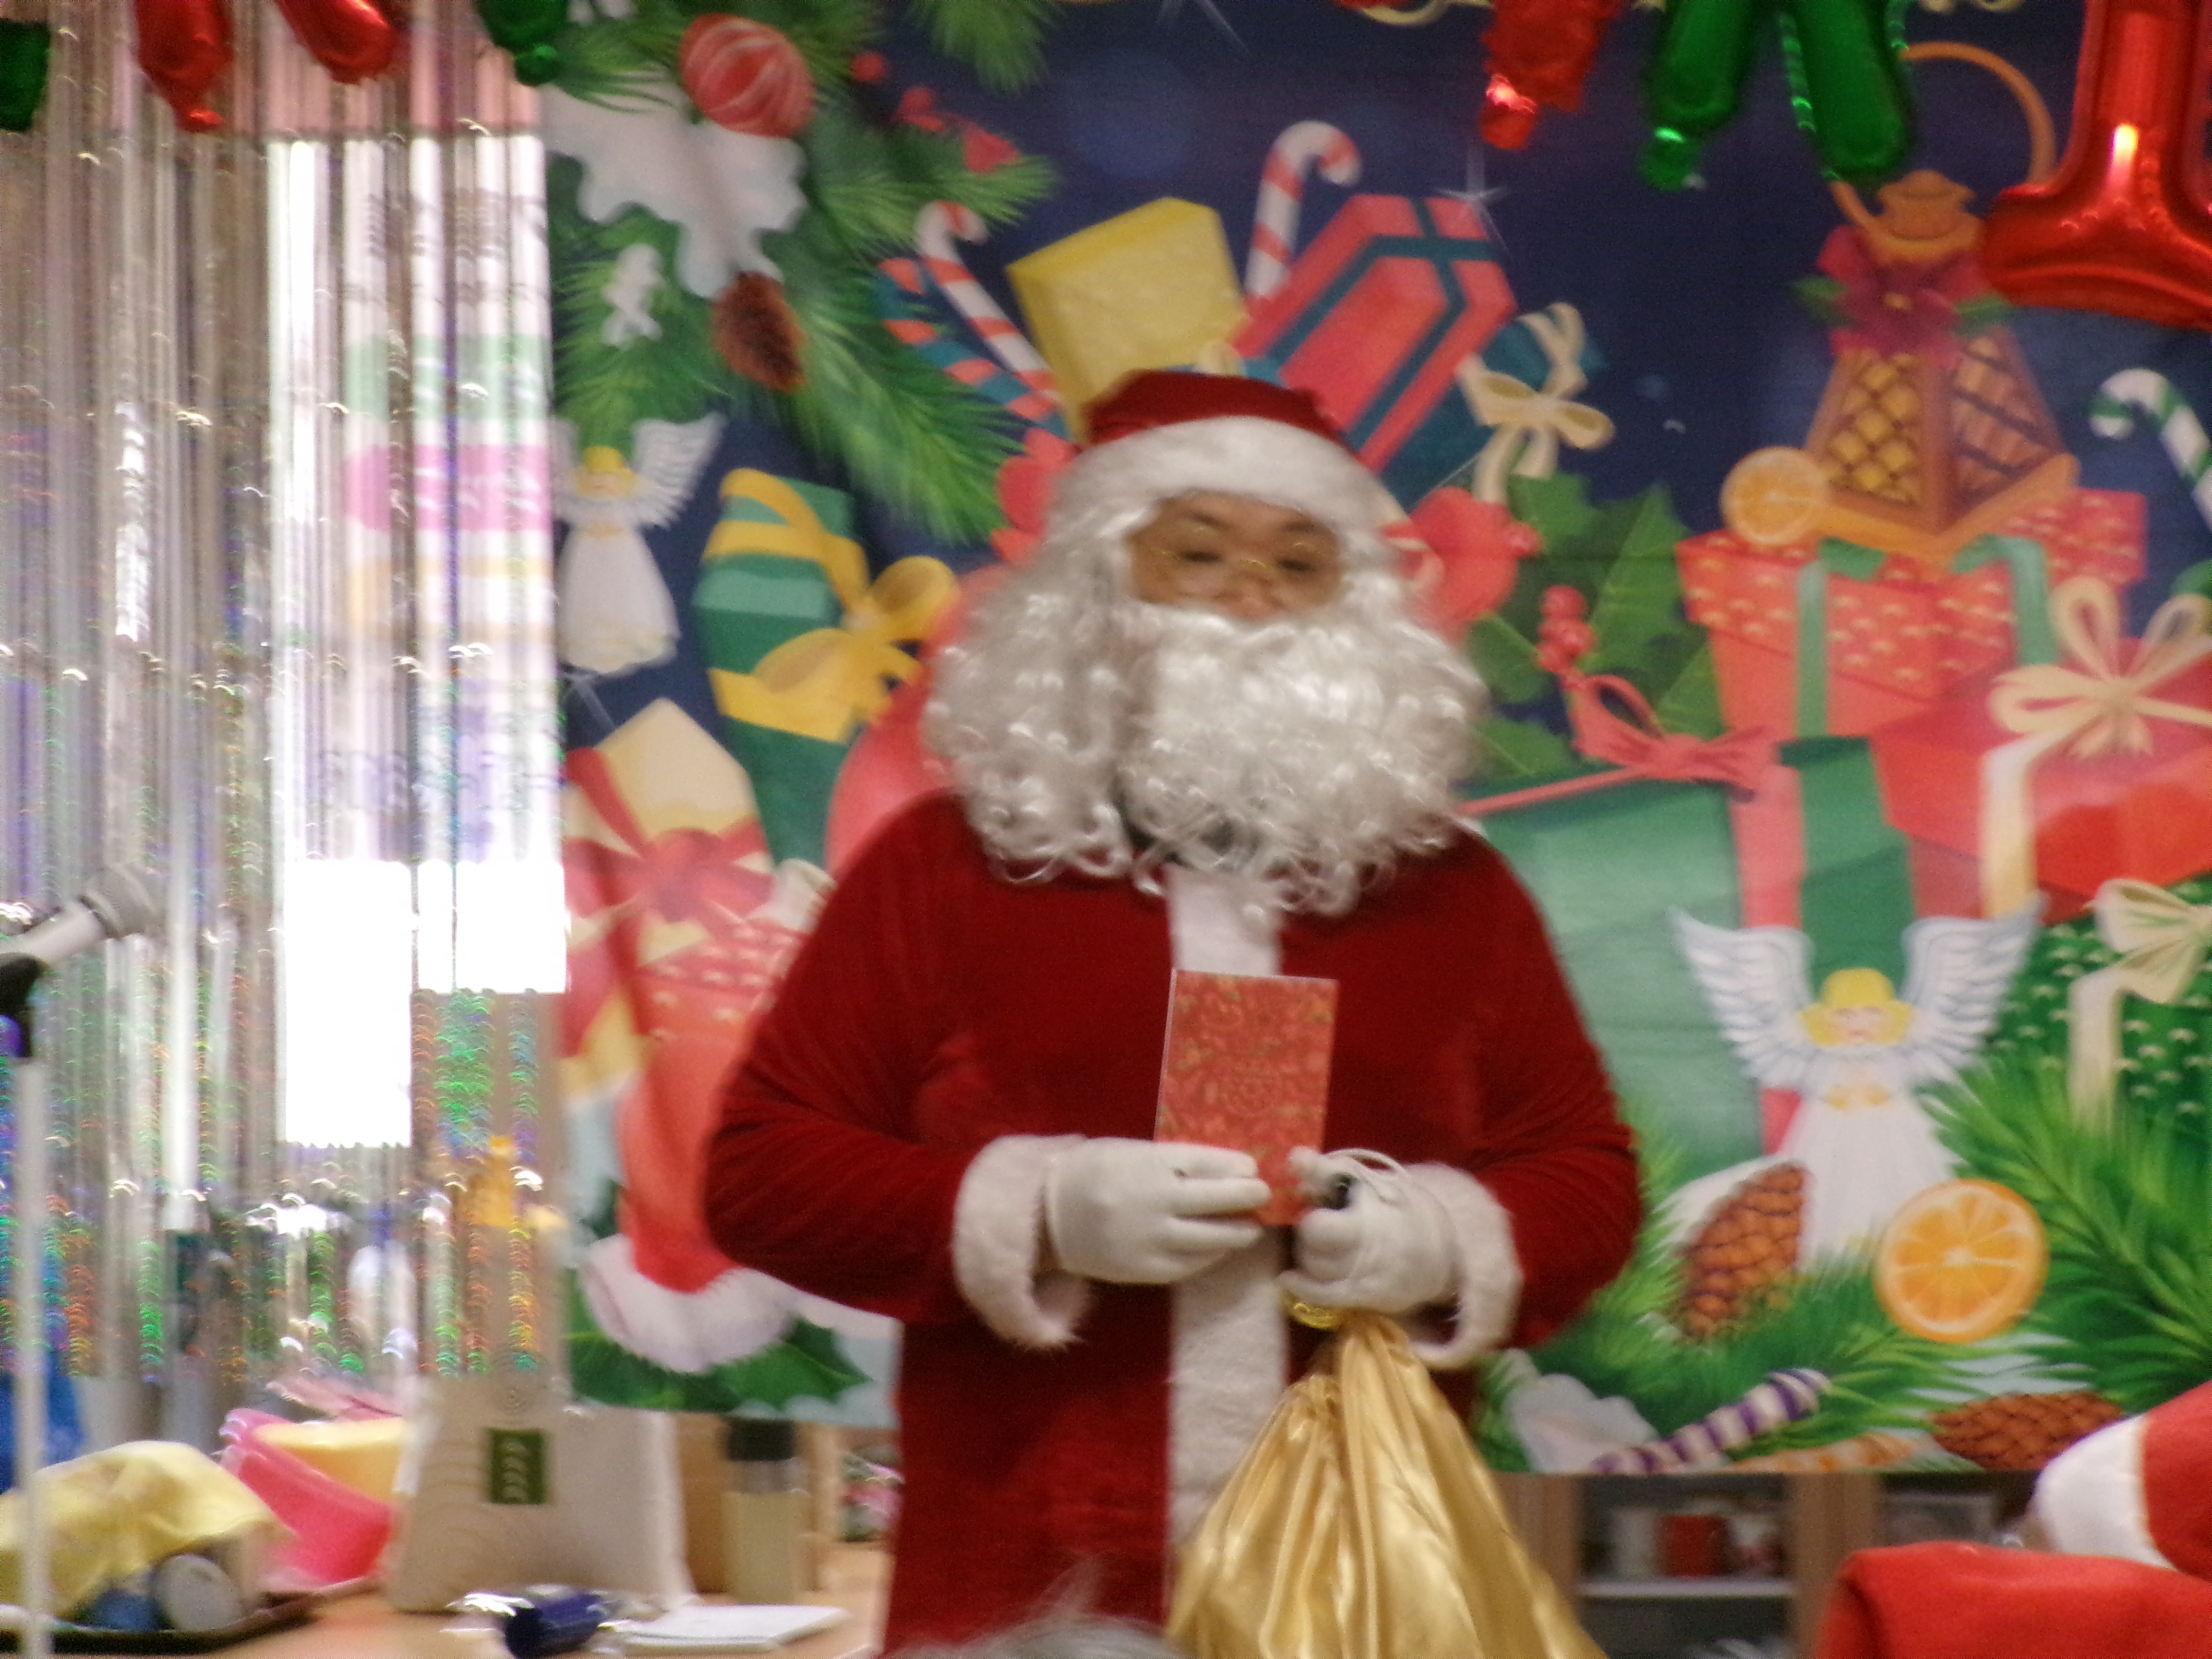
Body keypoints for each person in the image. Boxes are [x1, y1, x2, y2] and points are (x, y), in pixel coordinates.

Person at [703, 371, 1639, 1650]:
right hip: (1030, 1587)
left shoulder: (1452, 895)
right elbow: (763, 1174)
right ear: (1100, 589)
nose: (1254, 598)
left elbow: (1586, 1178)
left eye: (1300, 564)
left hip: (1363, 1583)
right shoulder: (943, 870)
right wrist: (1041, 1211)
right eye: (1199, 554)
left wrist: (1432, 1241)